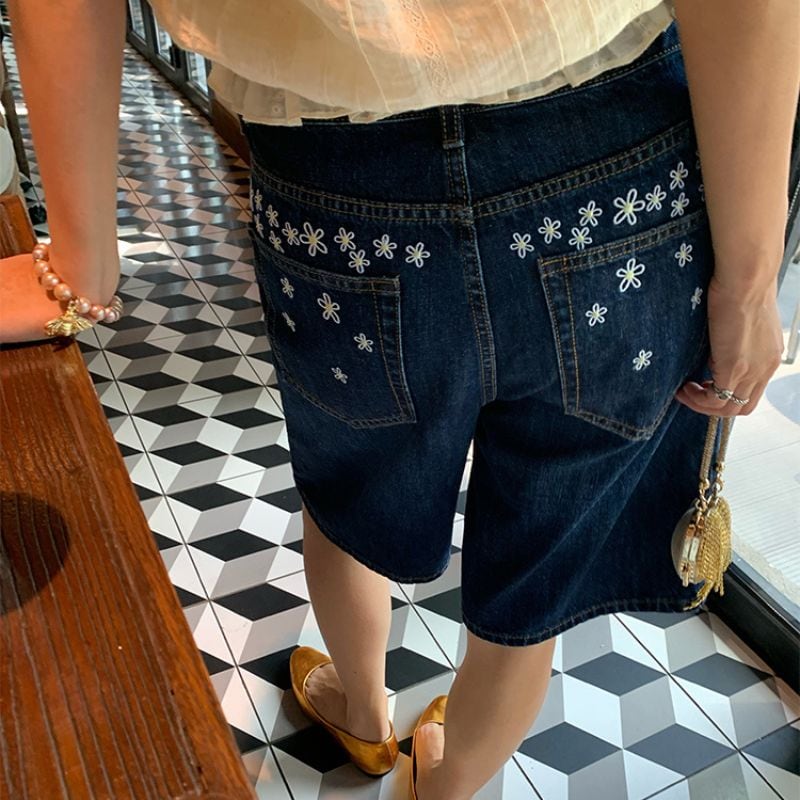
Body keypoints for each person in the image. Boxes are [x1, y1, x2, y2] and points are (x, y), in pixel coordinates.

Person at [3, 2, 796, 798]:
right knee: (543, 550)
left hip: (337, 187)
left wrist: (79, 259)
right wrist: (751, 284)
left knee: (348, 490)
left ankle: (361, 713)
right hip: (615, 180)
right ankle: (442, 787)